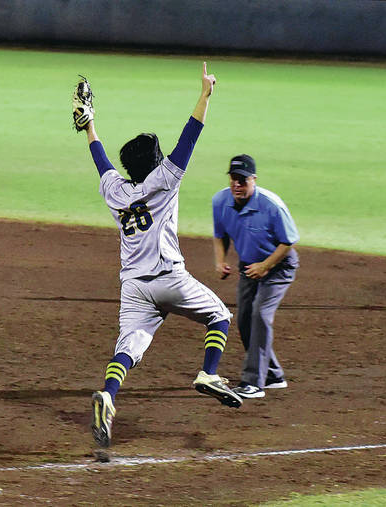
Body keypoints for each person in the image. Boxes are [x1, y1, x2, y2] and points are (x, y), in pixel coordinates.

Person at [75, 63, 242, 449]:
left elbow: (101, 161)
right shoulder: (166, 178)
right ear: (155, 159)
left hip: (133, 286)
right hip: (169, 277)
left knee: (128, 346)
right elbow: (190, 135)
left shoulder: (115, 191)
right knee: (219, 315)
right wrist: (205, 94)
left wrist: (89, 126)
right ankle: (208, 373)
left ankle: (109, 396)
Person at [211, 154, 299, 399]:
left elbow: (288, 242)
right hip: (249, 267)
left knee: (260, 314)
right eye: (233, 179)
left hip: (279, 266)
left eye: (242, 180)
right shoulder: (220, 201)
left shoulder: (272, 205)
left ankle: (253, 382)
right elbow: (220, 235)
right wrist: (220, 261)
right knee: (245, 320)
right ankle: (273, 375)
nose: (237, 185)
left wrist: (265, 266)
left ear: (254, 179)